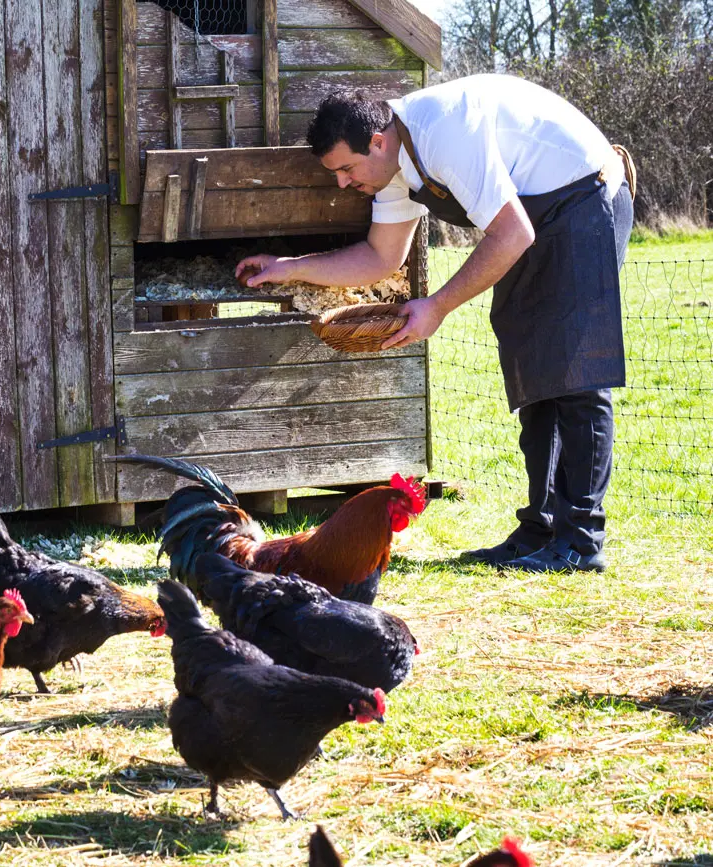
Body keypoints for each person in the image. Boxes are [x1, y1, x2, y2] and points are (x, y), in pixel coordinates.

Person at [236, 74, 633, 573]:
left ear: (377, 141)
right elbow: (380, 257)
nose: (343, 183)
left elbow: (510, 233)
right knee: (535, 372)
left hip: (583, 199)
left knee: (576, 378)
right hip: (533, 220)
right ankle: (541, 528)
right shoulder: (393, 164)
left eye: (346, 169)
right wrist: (287, 266)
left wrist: (438, 305)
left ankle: (581, 541)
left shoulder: (446, 132)